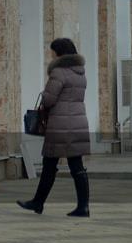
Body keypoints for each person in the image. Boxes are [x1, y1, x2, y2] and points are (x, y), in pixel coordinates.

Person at [17, 37, 90, 217]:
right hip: (78, 122)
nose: (51, 55)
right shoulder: (80, 73)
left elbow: (49, 100)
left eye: (52, 52)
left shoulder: (59, 72)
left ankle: (38, 202)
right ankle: (83, 207)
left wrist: (44, 94)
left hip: (60, 124)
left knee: (49, 164)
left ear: (59, 53)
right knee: (77, 166)